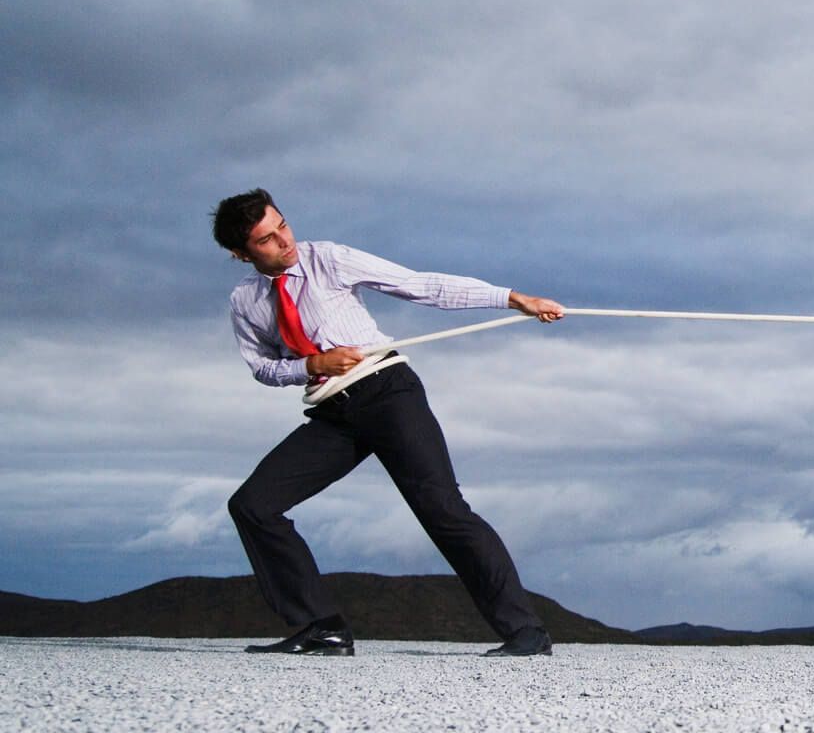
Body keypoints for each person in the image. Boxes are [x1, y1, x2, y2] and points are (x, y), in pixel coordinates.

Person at [212, 189, 566, 657]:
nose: (284, 240)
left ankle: (526, 633)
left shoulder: (329, 260)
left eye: (283, 225)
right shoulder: (246, 300)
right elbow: (263, 367)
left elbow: (422, 285)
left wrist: (513, 298)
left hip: (388, 394)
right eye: (266, 239)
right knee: (253, 506)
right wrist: (313, 365)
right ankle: (321, 629)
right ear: (241, 253)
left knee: (442, 511)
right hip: (333, 415)